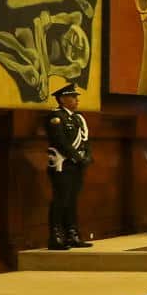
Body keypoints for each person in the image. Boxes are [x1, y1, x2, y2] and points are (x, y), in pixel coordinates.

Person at [45, 82, 92, 250]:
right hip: (62, 164)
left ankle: (72, 233)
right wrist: (76, 157)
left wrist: (86, 157)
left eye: (76, 97)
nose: (76, 100)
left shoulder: (78, 118)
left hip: (76, 165)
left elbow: (85, 142)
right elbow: (60, 141)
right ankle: (56, 236)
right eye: (72, 97)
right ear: (62, 99)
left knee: (72, 200)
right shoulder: (56, 117)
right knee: (60, 199)